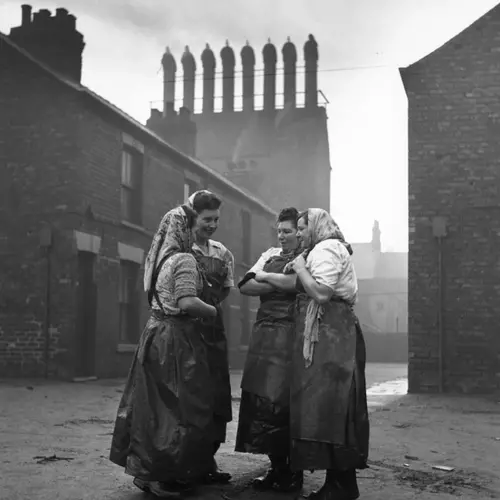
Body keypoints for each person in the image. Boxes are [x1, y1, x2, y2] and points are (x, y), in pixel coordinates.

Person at [109, 204, 219, 498]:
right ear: (183, 229)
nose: (195, 231)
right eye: (192, 225)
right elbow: (187, 303)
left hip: (154, 333)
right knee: (177, 408)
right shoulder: (183, 260)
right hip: (175, 338)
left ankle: (146, 473)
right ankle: (165, 476)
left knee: (151, 407)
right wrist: (212, 310)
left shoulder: (159, 259)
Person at [287, 208, 370, 500]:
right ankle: (338, 483)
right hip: (332, 332)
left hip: (335, 335)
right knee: (330, 406)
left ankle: (341, 485)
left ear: (316, 226)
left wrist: (299, 268)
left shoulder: (326, 248)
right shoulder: (323, 249)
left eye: (301, 227)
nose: (297, 233)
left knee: (336, 405)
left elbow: (321, 293)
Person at [235, 207, 304, 493]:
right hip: (264, 334)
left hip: (292, 335)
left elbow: (299, 283)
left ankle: (293, 472)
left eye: (288, 231)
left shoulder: (307, 257)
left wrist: (266, 278)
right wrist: (277, 282)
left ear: (299, 233)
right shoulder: (269, 254)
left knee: (286, 402)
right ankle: (276, 468)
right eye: (279, 231)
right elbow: (246, 286)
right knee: (263, 402)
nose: (282, 236)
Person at [186, 190, 235, 484]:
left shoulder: (222, 252)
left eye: (216, 219)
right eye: (207, 219)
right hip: (187, 329)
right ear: (194, 218)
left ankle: (208, 460)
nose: (212, 225)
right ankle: (186, 463)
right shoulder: (182, 250)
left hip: (214, 330)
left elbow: (227, 288)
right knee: (192, 394)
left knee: (216, 393)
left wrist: (211, 308)